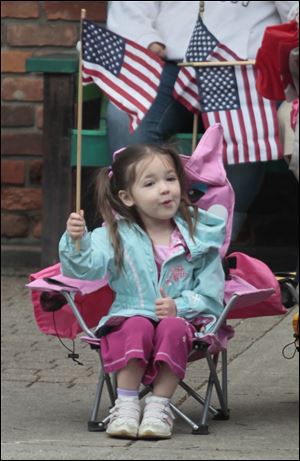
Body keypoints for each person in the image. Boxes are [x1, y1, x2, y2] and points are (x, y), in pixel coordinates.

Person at [59, 144, 226, 439]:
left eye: (170, 179)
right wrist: (77, 242)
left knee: (173, 327)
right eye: (150, 183)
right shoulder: (113, 234)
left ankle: (159, 405)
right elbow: (86, 269)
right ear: (127, 197)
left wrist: (180, 306)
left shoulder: (198, 237)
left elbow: (212, 294)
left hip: (185, 322)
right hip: (129, 313)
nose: (165, 189)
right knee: (136, 324)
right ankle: (126, 404)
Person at [106, 1, 297, 241]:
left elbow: (294, 12)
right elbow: (130, 8)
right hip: (169, 60)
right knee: (126, 116)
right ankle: (141, 235)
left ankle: (213, 241)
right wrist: (146, 39)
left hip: (241, 64)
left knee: (244, 134)